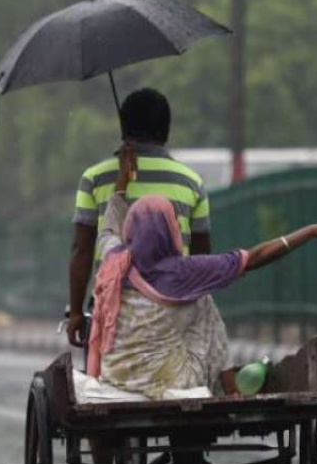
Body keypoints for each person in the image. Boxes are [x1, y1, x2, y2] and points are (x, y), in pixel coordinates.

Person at [85, 144, 317, 464]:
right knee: (203, 302)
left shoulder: (114, 259)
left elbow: (108, 224)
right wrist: (308, 231)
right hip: (174, 382)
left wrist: (122, 179)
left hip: (117, 380)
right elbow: (257, 257)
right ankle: (218, 388)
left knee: (191, 305)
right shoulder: (187, 271)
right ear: (170, 232)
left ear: (132, 233)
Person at [67, 87, 211, 348]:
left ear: (124, 128)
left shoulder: (94, 179)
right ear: (166, 130)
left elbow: (82, 250)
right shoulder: (192, 182)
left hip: (112, 310)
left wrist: (76, 312)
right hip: (175, 307)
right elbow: (202, 257)